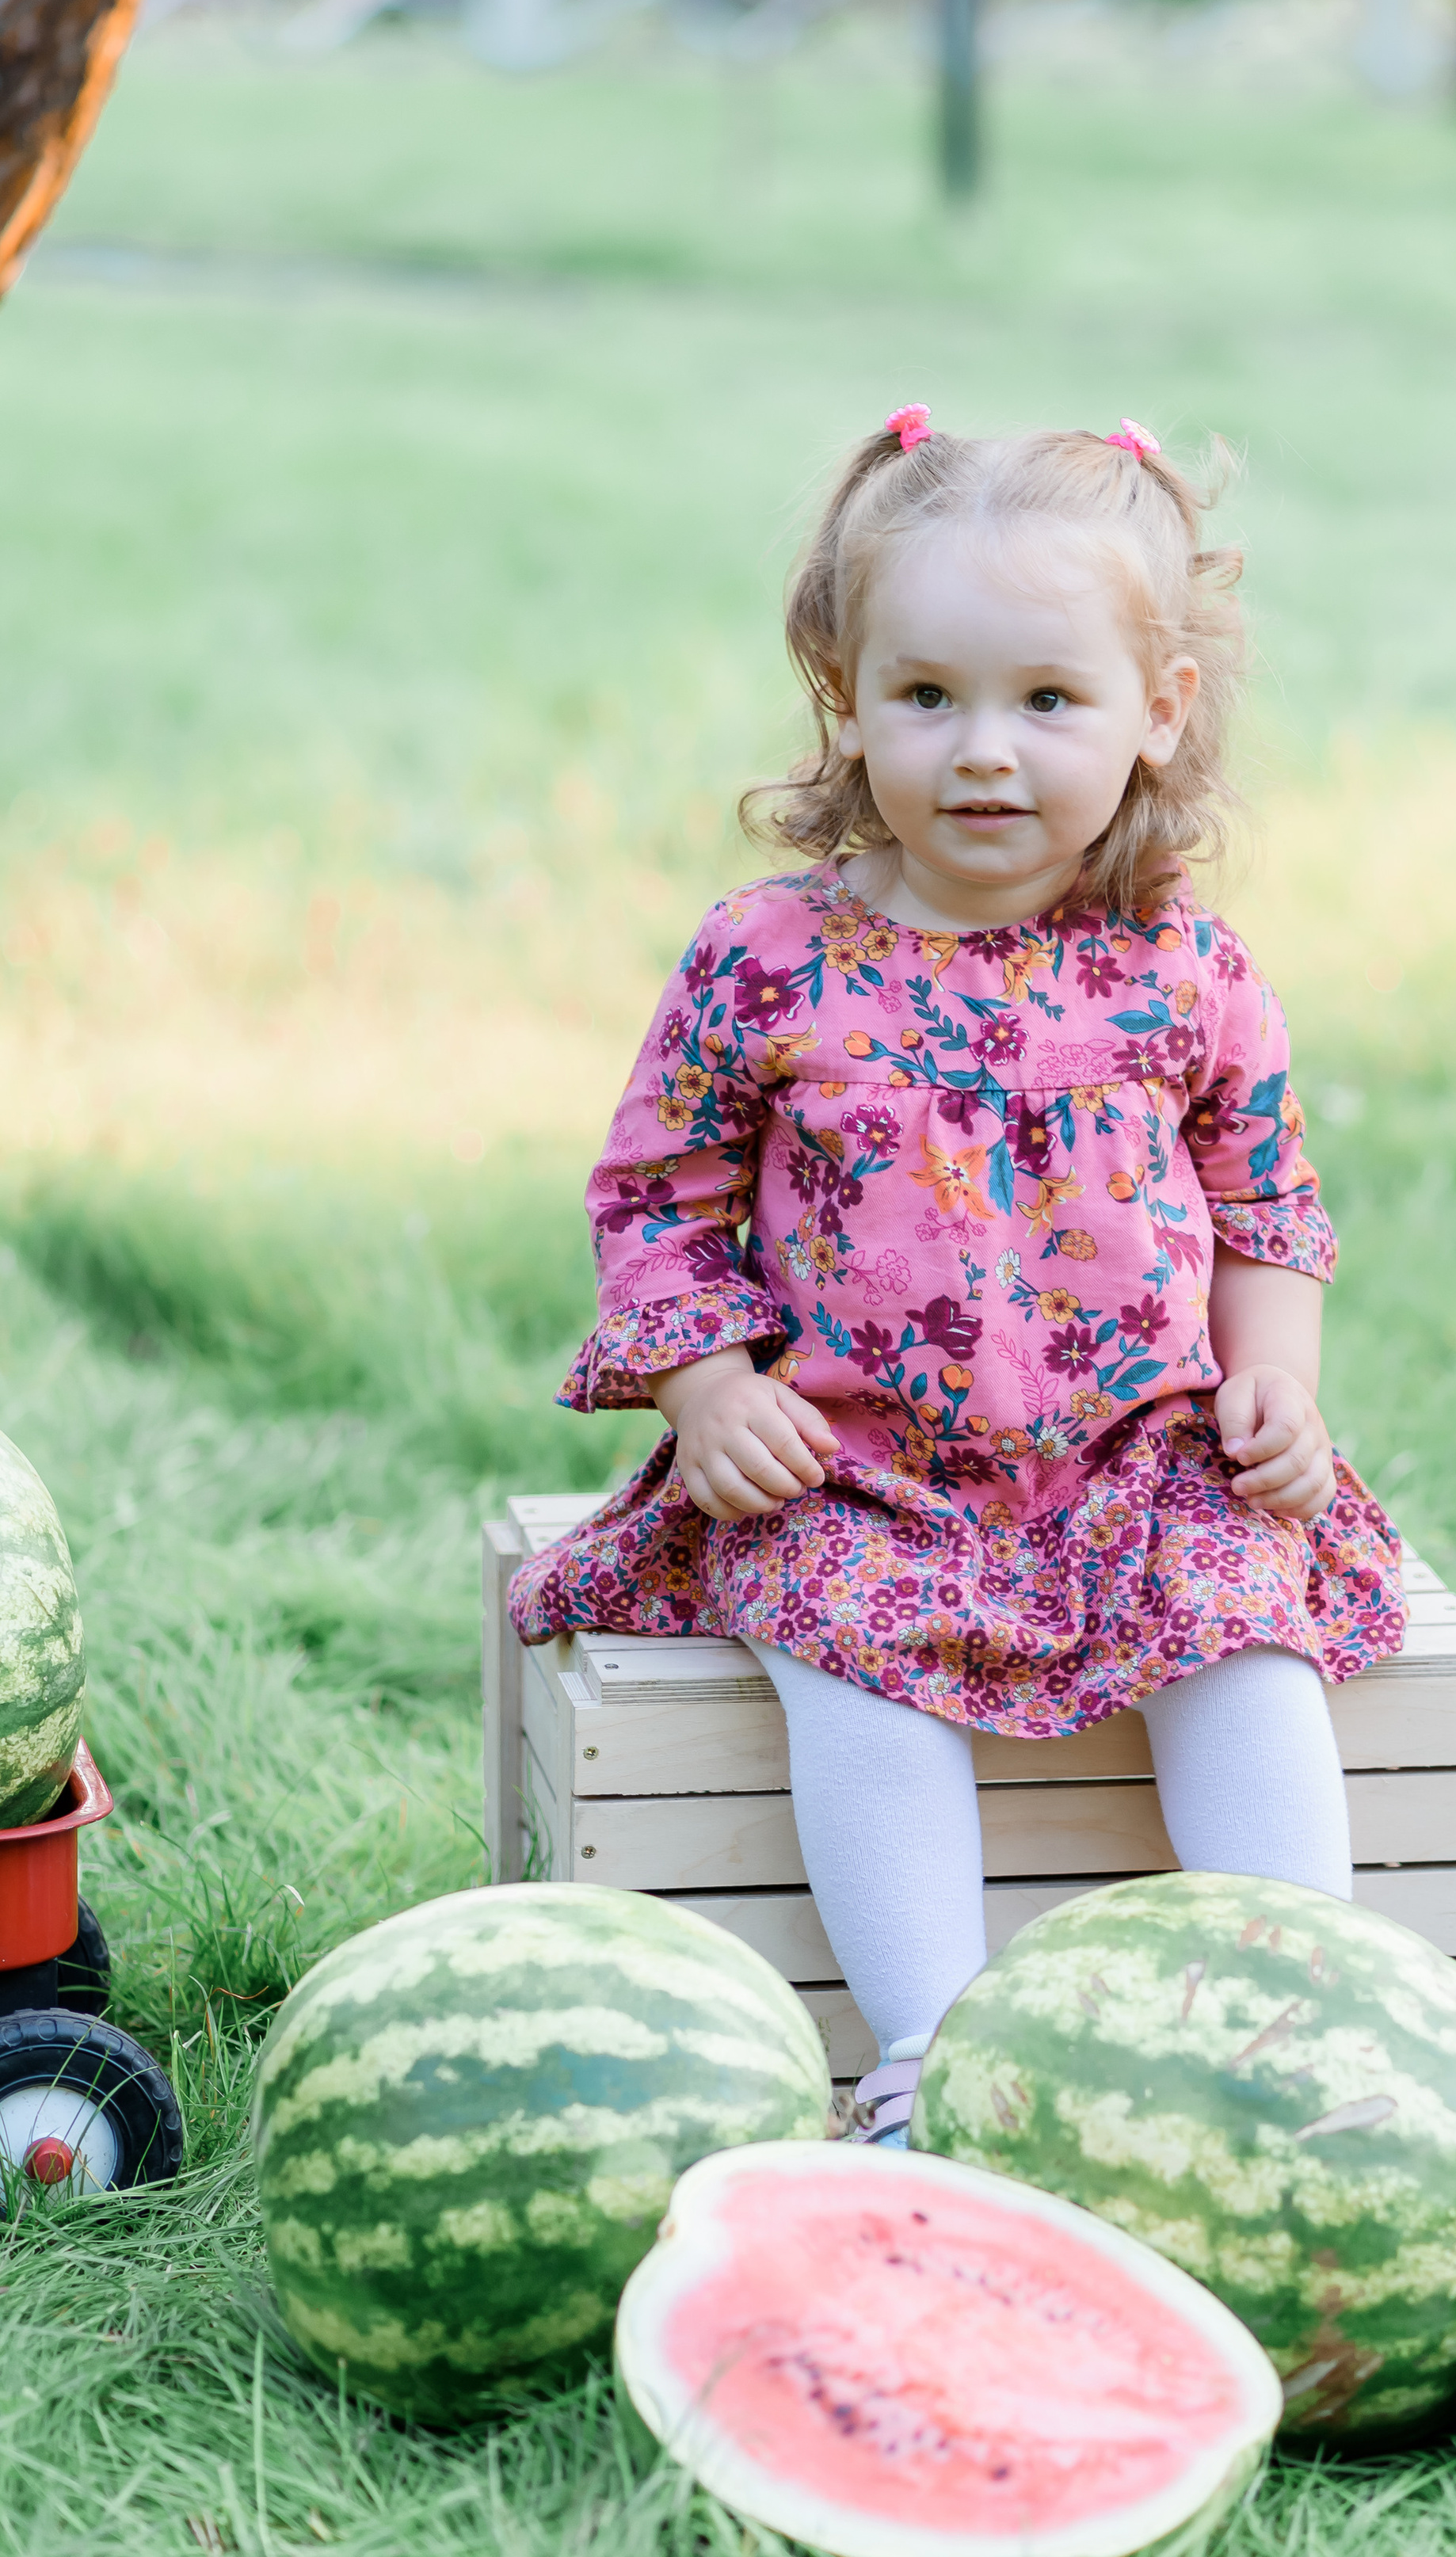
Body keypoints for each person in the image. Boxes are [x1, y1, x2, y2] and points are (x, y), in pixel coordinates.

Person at [511, 407, 1404, 2142]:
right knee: (848, 1661)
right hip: (860, 1464)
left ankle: (1314, 2011)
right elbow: (658, 1189)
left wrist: (1272, 1379)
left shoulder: (1179, 969)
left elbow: (1265, 1194)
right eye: (928, 696)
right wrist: (711, 1393)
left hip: (1137, 1456)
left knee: (1242, 1631)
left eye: (1045, 701)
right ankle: (929, 2052)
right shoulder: (768, 961)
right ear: (844, 695)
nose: (982, 753)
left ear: (1162, 714)